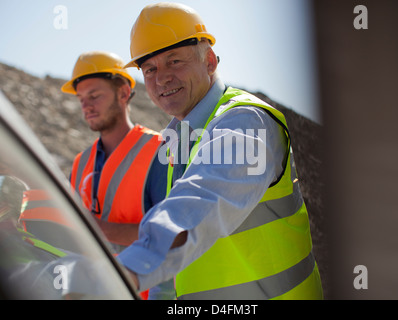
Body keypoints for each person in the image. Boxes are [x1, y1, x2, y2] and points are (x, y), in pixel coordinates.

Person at [118, 2, 323, 300]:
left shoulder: (245, 122)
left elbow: (200, 204)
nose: (161, 77)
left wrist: (123, 274)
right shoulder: (179, 137)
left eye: (174, 61)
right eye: (150, 68)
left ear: (210, 61)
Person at [61, 51, 174, 299]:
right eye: (81, 99)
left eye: (94, 96)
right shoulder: (81, 163)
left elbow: (173, 235)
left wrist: (97, 229)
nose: (86, 106)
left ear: (123, 93)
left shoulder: (159, 151)